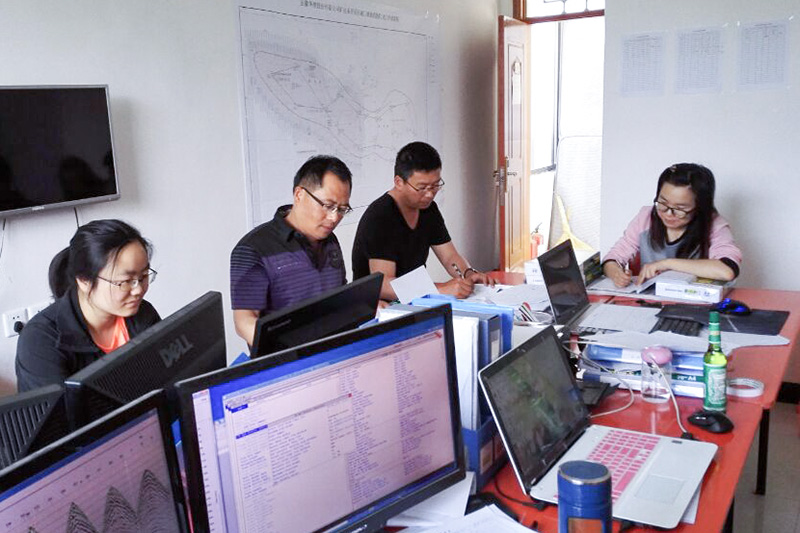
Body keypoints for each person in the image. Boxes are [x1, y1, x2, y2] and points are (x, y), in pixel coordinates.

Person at [16, 219, 160, 392]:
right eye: (126, 281)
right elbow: (60, 409)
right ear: (84, 281)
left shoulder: (143, 314)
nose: (138, 290)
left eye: (143, 276)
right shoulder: (40, 340)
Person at [230, 155, 352, 346]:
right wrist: (285, 349)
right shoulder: (254, 249)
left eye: (342, 209)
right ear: (299, 195)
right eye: (328, 206)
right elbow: (244, 322)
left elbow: (339, 295)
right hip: (287, 357)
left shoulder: (330, 240)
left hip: (333, 349)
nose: (334, 218)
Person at [352, 141, 494, 301]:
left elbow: (449, 256)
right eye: (422, 187)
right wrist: (440, 289)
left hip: (415, 301)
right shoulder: (380, 217)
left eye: (435, 185)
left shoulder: (428, 209)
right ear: (399, 182)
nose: (429, 194)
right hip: (379, 307)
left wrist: (468, 274)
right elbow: (383, 285)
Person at [602, 163, 742, 287]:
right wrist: (616, 274)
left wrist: (666, 264)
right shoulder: (645, 218)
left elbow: (726, 270)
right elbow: (612, 258)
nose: (669, 214)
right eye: (663, 203)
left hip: (695, 302)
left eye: (680, 209)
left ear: (700, 208)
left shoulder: (714, 225)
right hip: (650, 301)